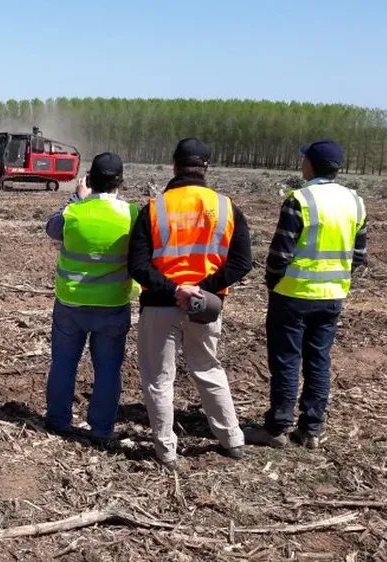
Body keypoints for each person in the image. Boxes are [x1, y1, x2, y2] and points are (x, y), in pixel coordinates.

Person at [127, 138, 252, 470]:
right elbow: (242, 262)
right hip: (206, 307)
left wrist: (175, 289)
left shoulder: (154, 208)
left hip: (158, 306)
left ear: (174, 166)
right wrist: (200, 290)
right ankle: (232, 439)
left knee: (159, 378)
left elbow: (137, 265)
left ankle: (166, 451)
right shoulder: (226, 208)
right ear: (206, 167)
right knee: (209, 369)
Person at [245, 140, 366, 450]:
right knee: (319, 361)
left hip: (293, 295)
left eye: (304, 160)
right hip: (332, 296)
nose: (302, 164)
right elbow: (359, 255)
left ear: (311, 165)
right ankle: (311, 429)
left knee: (286, 360)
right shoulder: (355, 202)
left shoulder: (299, 200)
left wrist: (273, 282)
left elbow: (279, 254)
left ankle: (278, 427)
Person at [43, 153, 137, 444]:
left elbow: (51, 228)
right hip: (113, 304)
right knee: (108, 369)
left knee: (63, 364)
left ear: (90, 180)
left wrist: (76, 197)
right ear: (120, 182)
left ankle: (58, 420)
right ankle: (101, 428)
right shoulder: (132, 214)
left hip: (71, 304)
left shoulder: (74, 212)